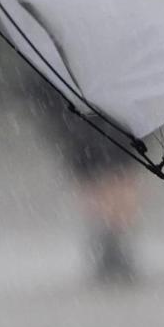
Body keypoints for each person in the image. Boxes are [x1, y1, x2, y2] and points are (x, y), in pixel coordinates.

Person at [29, 80, 141, 284]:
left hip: (95, 117)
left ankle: (111, 238)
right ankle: (110, 238)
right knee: (105, 175)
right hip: (93, 116)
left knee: (110, 175)